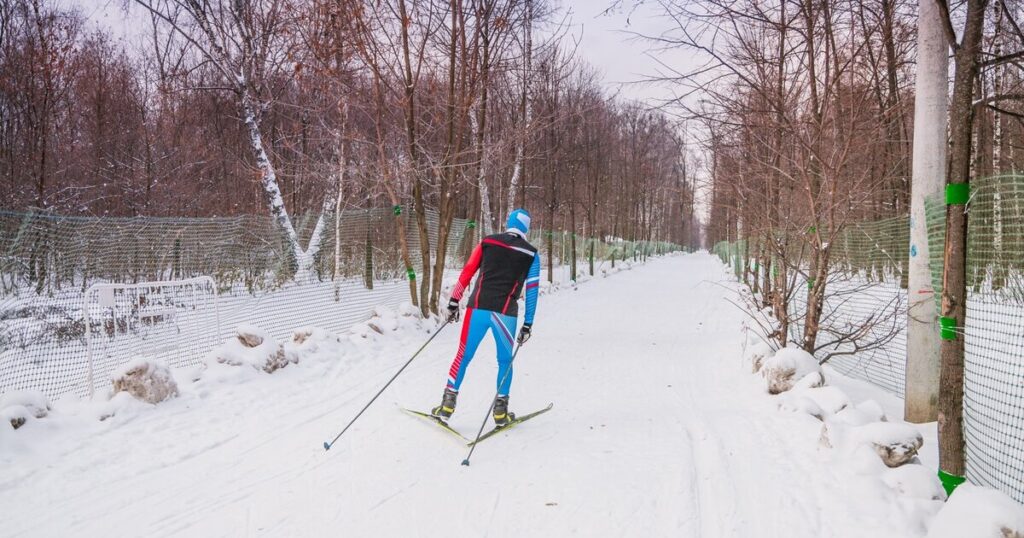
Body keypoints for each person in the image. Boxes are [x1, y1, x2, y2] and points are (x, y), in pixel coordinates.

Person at [431, 209, 541, 426]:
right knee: (505, 361)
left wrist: (454, 301)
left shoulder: (488, 242)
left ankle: (446, 406)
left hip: (478, 309)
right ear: (526, 228)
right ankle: (500, 412)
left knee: (463, 356)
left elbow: (468, 271)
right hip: (506, 314)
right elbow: (532, 291)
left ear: (508, 222)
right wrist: (528, 323)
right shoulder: (531, 254)